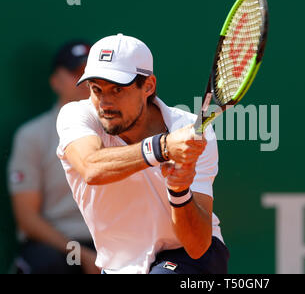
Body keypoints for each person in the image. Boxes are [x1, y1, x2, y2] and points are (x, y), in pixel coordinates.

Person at [55, 33, 229, 274]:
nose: (105, 102)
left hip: (187, 258)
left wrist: (180, 191)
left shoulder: (191, 131)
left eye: (117, 90)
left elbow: (198, 246)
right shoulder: (76, 115)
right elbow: (92, 168)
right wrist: (163, 147)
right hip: (119, 266)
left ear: (148, 86)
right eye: (96, 90)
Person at [7, 41, 99, 274]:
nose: (83, 80)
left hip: (110, 243)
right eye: (75, 72)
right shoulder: (32, 135)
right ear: (55, 81)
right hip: (57, 246)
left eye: (89, 73)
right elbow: (27, 218)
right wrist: (82, 254)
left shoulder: (119, 130)